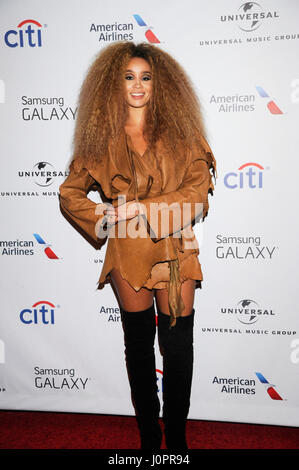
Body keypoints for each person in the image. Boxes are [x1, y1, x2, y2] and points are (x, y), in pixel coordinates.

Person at [59, 41, 217, 450]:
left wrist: (140, 208)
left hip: (175, 246)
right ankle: (149, 438)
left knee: (178, 345)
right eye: (128, 77)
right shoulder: (99, 139)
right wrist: (103, 218)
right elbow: (69, 193)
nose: (138, 86)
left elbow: (198, 192)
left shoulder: (183, 133)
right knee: (139, 345)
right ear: (113, 84)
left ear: (160, 84)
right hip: (128, 248)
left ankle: (177, 441)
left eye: (146, 77)